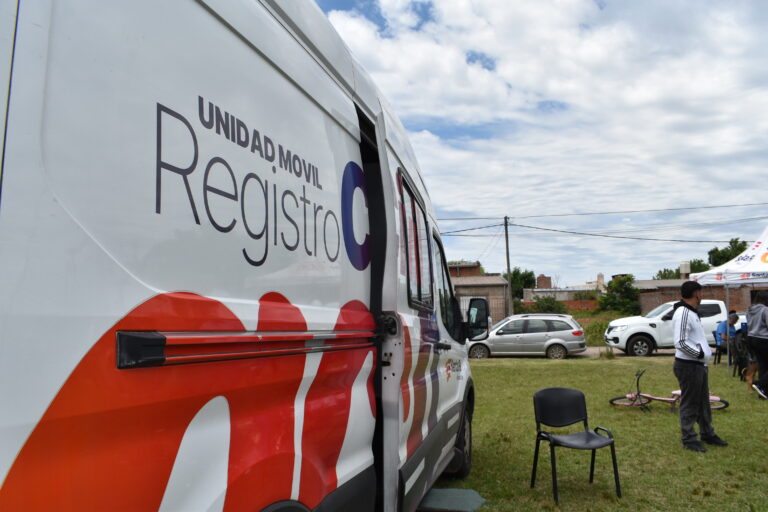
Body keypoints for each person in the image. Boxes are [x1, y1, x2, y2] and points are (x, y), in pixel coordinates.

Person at [672, 281, 728, 452]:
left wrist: (701, 357)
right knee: (690, 403)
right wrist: (700, 354)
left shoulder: (691, 312)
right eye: (701, 293)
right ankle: (689, 439)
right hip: (689, 366)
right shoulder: (683, 313)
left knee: (703, 402)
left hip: (697, 365)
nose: (701, 296)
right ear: (697, 293)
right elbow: (680, 342)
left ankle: (707, 433)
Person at [747, 291, 768, 399]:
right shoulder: (765, 310)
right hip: (764, 339)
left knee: (763, 365)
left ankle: (763, 392)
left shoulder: (750, 310)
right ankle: (760, 383)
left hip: (751, 339)